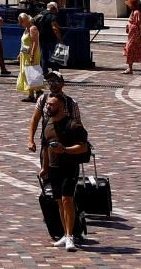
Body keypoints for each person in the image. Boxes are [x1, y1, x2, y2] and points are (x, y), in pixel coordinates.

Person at [37, 90, 92, 252]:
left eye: (51, 105)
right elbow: (46, 147)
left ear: (61, 106)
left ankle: (70, 236)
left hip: (69, 167)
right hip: (53, 169)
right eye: (47, 104)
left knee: (67, 199)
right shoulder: (47, 125)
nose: (48, 107)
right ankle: (64, 233)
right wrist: (44, 168)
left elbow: (83, 147)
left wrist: (65, 150)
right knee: (59, 202)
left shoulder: (73, 125)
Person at [27, 70, 83, 152]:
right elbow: (35, 119)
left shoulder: (71, 103)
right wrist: (31, 140)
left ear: (62, 83)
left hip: (66, 144)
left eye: (56, 81)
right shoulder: (43, 99)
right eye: (50, 82)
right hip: (47, 143)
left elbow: (78, 126)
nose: (53, 85)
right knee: (45, 163)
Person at [15, 12, 42, 102]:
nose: (20, 23)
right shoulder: (26, 29)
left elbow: (35, 42)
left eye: (21, 21)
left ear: (26, 20)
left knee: (32, 73)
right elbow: (24, 43)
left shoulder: (32, 28)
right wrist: (20, 53)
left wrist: (32, 55)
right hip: (24, 54)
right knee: (25, 73)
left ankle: (38, 91)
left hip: (31, 54)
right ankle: (31, 94)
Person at [34, 1, 61, 68]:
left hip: (42, 39)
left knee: (44, 57)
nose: (56, 11)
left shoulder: (41, 14)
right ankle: (55, 71)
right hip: (51, 39)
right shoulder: (52, 16)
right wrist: (60, 39)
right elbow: (55, 28)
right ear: (52, 8)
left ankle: (44, 72)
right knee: (54, 57)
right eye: (55, 9)